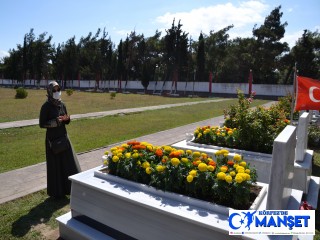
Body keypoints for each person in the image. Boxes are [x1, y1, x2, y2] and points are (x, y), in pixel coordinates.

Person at [39, 81, 81, 198]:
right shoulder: (46, 106)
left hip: (63, 136)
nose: (57, 92)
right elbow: (42, 124)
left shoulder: (62, 104)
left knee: (69, 163)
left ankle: (72, 189)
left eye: (58, 90)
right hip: (53, 140)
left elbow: (65, 118)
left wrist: (67, 119)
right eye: (54, 90)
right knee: (55, 166)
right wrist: (55, 122)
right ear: (49, 91)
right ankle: (57, 193)